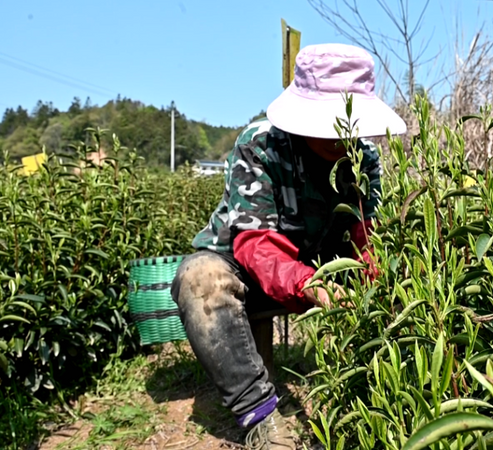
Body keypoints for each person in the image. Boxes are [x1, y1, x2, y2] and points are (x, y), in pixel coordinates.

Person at [170, 43, 407, 449]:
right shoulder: (260, 145)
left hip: (317, 260)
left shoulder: (362, 158)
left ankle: (386, 393)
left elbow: (366, 237)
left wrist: (377, 280)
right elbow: (254, 245)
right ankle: (259, 414)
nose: (339, 136)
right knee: (199, 278)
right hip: (244, 264)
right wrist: (310, 283)